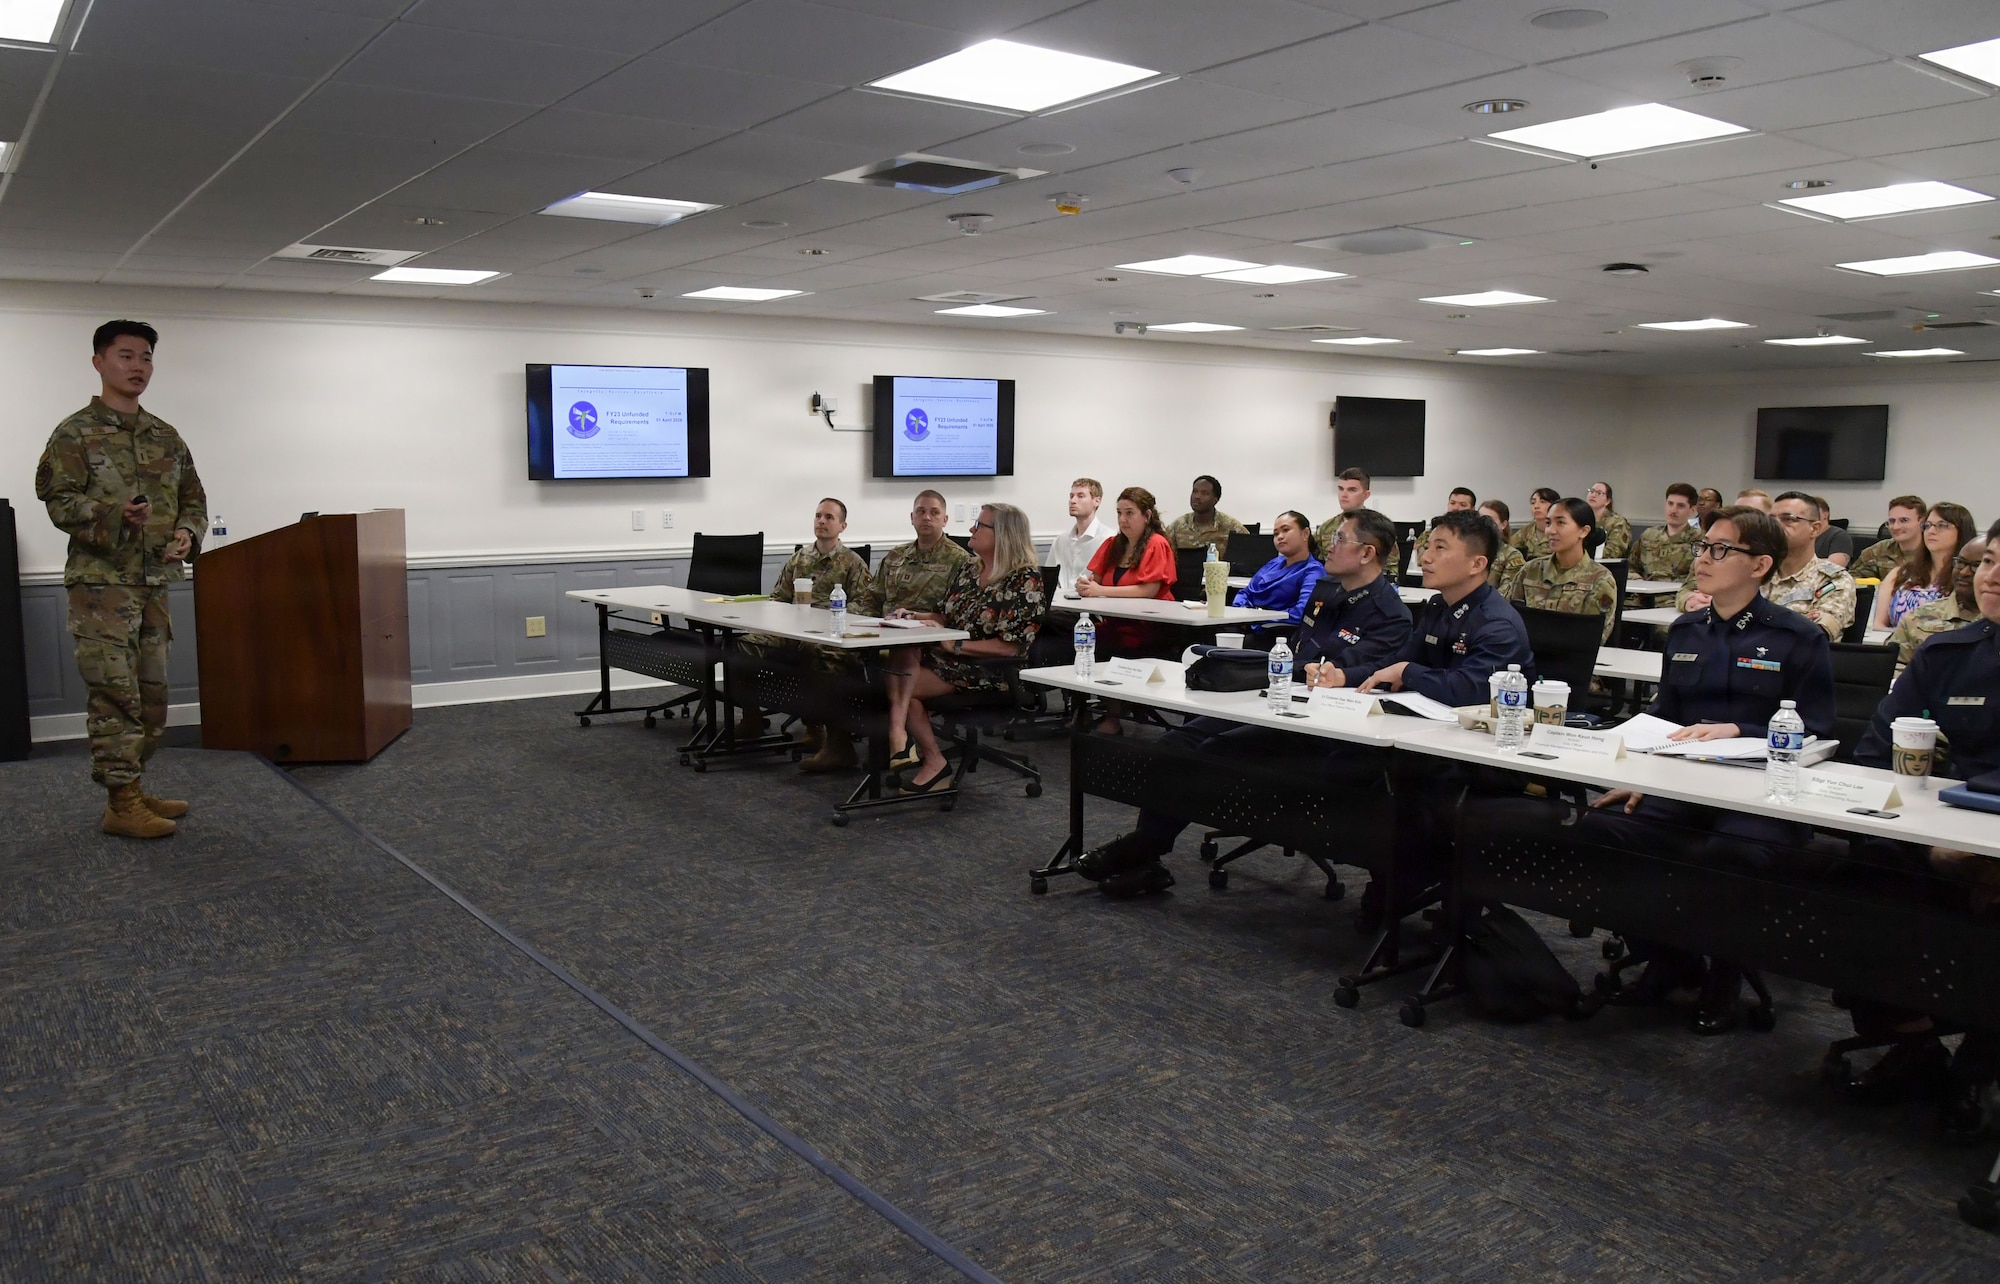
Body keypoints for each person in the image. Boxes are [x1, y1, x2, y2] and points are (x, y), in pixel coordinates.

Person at [1074, 509, 1414, 894]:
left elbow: (1358, 676)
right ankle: (1147, 853)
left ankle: (1143, 851)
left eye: (1339, 540)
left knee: (1211, 749)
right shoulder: (1327, 592)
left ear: (1367, 554)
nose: (1329, 547)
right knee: (1177, 740)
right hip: (1279, 697)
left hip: (1320, 725)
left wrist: (1332, 674)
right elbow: (1302, 654)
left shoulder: (1391, 615)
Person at [1589, 506, 1837, 1033]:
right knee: (1609, 830)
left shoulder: (1798, 637)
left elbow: (1817, 728)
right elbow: (1665, 714)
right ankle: (1670, 959)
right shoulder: (1685, 630)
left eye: (1721, 550)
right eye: (1704, 547)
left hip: (1761, 791)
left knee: (1733, 854)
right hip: (1685, 780)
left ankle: (1725, 975)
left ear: (1760, 564)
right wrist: (1629, 763)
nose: (1704, 557)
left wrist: (1741, 731)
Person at [1834, 520, 2000, 1130]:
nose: (1993, 575)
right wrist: (1935, 841)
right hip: (1937, 838)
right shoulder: (1949, 651)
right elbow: (1877, 755)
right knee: (1851, 880)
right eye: (1988, 563)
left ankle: (1978, 1070)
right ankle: (1915, 1046)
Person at [34, 320, 206, 839]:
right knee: (114, 695)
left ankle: (133, 785)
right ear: (99, 363)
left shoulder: (165, 435)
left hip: (154, 583)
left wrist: (185, 533)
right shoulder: (74, 433)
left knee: (152, 695)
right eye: (126, 356)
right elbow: (58, 501)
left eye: (146, 358)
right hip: (100, 587)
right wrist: (114, 517)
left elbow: (194, 497)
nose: (138, 367)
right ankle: (121, 800)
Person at [879, 504, 1046, 794]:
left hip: (987, 669)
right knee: (899, 654)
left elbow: (1011, 648)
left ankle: (924, 755)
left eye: (980, 526)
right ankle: (908, 743)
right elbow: (945, 616)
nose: (971, 530)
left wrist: (957, 644)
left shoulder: (1024, 579)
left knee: (901, 685)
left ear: (1004, 535)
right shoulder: (971, 568)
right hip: (949, 659)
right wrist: (915, 617)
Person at [733, 497, 875, 767]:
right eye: (818, 516)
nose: (822, 521)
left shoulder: (852, 562)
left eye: (829, 517)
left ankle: (827, 737)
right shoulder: (800, 558)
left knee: (820, 656)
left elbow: (864, 605)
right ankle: (751, 718)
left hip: (827, 634)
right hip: (792, 629)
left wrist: (829, 616)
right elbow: (778, 597)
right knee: (743, 645)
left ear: (842, 526)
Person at [856, 489, 975, 763]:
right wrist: (859, 624)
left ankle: (896, 734)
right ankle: (848, 742)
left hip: (931, 642)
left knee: (904, 649)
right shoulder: (896, 556)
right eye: (921, 511)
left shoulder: (961, 561)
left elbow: (955, 614)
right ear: (911, 517)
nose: (927, 518)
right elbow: (870, 597)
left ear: (945, 519)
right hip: (882, 635)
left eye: (934, 513)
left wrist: (917, 618)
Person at [1078, 486, 1177, 734]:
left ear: (1147, 515)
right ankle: (1083, 711)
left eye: (1130, 513)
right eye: (1119, 513)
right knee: (1080, 639)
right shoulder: (1113, 544)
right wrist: (1085, 585)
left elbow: (1148, 590)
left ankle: (1113, 717)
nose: (1123, 520)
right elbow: (1095, 578)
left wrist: (1100, 591)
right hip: (1116, 621)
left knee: (1114, 645)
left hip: (1149, 624)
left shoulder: (1157, 544)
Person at [1504, 497, 1620, 642]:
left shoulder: (1599, 579)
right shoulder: (1531, 570)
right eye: (1548, 523)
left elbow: (1593, 638)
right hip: (1524, 656)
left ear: (1583, 531)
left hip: (1572, 660)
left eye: (1560, 523)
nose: (1551, 531)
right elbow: (1507, 619)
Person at [1763, 491, 1857, 642]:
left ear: (1815, 529)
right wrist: (1795, 622)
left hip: (1798, 663)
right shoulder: (1754, 573)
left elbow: (1813, 636)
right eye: (1771, 520)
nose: (1776, 526)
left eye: (1788, 519)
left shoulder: (1833, 579)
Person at [1886, 534, 1984, 676]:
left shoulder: (1993, 623)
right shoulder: (1921, 617)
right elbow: (1891, 667)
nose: (1964, 572)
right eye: (1961, 563)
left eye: (1976, 566)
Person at [1872, 502, 1977, 629]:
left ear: (1961, 532)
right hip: (1895, 643)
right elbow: (1878, 624)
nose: (1931, 531)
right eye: (1927, 526)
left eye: (1942, 525)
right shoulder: (1900, 573)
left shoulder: (1967, 576)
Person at [1231, 510, 1321, 632]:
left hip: (1271, 633)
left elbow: (1301, 613)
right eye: (1275, 533)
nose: (1280, 537)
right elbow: (1245, 593)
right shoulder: (1274, 563)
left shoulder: (1313, 571)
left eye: (1286, 530)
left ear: (1305, 534)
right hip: (1245, 623)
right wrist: (1242, 610)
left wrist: (1259, 618)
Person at [1317, 468, 1400, 576]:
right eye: (1341, 489)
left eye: (1352, 490)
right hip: (1332, 586)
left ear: (1366, 495)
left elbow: (1390, 568)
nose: (1344, 495)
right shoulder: (1327, 527)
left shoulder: (1377, 527)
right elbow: (1317, 562)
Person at [1049, 477, 1112, 595]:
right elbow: (1048, 578)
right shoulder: (1061, 540)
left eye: (1080, 496)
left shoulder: (1108, 538)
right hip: (1059, 604)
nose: (1073, 500)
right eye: (1071, 496)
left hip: (1092, 604)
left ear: (1096, 501)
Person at [1632, 483, 1699, 585]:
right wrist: (1638, 580)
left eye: (1680, 506)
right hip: (1644, 595)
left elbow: (1700, 576)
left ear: (1692, 510)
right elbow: (1631, 566)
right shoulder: (1649, 535)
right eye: (1670, 504)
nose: (1673, 510)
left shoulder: (1699, 539)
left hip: (1676, 596)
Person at [1849, 494, 1926, 582]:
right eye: (1892, 521)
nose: (1895, 527)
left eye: (1904, 520)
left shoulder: (1936, 552)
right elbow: (1851, 581)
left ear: (1922, 522)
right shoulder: (1878, 551)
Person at [1165, 474, 1247, 556]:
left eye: (1204, 493)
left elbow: (1251, 555)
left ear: (1215, 500)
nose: (1197, 496)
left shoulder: (1231, 526)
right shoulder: (1177, 526)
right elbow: (1164, 556)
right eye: (1195, 491)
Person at [1408, 486, 1475, 564]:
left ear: (1472, 509)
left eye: (1462, 505)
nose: (1456, 508)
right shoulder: (1435, 530)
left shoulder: (1476, 534)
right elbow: (1420, 558)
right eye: (1452, 503)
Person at [1479, 501, 1525, 590]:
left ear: (1503, 524)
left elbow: (1506, 594)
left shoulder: (1512, 556)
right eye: (1480, 519)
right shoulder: (1469, 551)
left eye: (1489, 520)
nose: (1483, 525)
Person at [1584, 480, 1632, 559]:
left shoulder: (1617, 522)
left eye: (1599, 493)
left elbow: (1615, 551)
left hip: (1606, 566)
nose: (1593, 495)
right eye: (1591, 491)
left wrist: (1583, 555)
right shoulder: (1580, 518)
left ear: (1607, 501)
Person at [1512, 487, 1559, 560]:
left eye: (1542, 502)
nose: (1536, 506)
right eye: (1533, 503)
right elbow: (1509, 549)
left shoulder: (1560, 531)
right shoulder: (1526, 531)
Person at [1812, 495, 1854, 569]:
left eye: (1813, 512)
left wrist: (1802, 564)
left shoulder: (1839, 535)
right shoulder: (1800, 535)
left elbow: (1835, 566)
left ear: (1825, 515)